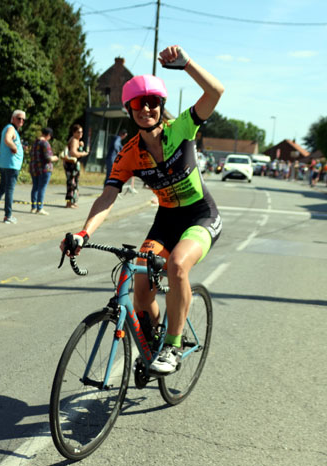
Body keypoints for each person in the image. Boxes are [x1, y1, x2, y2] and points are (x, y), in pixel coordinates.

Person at [61, 45, 224, 374]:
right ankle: (151, 345)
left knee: (177, 265)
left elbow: (216, 91)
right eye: (138, 104)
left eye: (152, 103)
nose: (146, 109)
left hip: (200, 216)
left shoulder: (180, 130)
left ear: (160, 106)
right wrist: (83, 233)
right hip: (166, 220)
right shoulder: (129, 153)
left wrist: (187, 64)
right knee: (140, 289)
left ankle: (173, 348)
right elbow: (107, 196)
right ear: (130, 109)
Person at [0, 110, 26, 224]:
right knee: (9, 190)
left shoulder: (11, 128)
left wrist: (18, 147)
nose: (21, 121)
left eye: (23, 119)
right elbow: (7, 139)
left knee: (2, 188)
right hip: (11, 165)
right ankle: (8, 215)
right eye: (19, 118)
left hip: (6, 164)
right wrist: (15, 148)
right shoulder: (11, 128)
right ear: (13, 118)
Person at [30, 127, 58, 215]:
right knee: (42, 188)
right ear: (48, 135)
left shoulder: (35, 142)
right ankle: (40, 208)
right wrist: (55, 158)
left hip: (34, 168)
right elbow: (47, 158)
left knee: (35, 188)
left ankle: (33, 207)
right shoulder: (45, 143)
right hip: (45, 169)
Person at [63, 124, 88, 208]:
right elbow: (73, 153)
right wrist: (83, 153)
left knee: (74, 183)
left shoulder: (77, 140)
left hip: (74, 165)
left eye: (81, 132)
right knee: (71, 184)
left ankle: (72, 201)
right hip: (71, 165)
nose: (80, 134)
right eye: (78, 132)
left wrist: (81, 145)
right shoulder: (74, 140)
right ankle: (69, 203)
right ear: (74, 132)